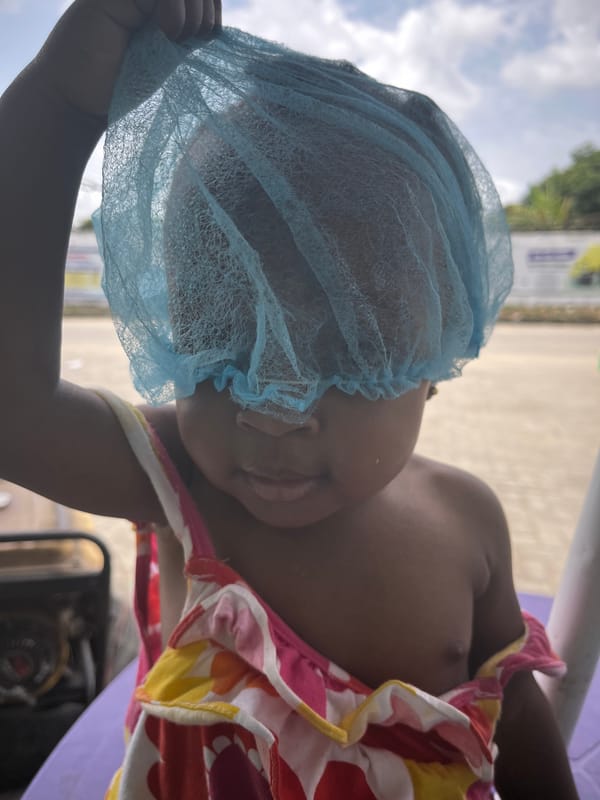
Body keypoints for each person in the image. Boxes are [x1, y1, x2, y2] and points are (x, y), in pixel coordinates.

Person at [0, 1, 579, 798]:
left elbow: (511, 704)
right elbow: (13, 410)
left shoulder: (470, 521)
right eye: (222, 338)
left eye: (347, 347)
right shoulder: (179, 484)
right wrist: (61, 105)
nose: (273, 406)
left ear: (434, 351)